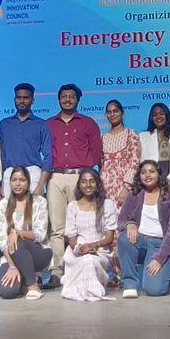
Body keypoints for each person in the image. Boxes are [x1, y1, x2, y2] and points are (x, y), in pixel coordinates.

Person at [46, 84, 103, 282]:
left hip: (80, 177)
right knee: (57, 227)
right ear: (58, 99)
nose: (67, 99)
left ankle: (78, 267)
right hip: (56, 177)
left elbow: (96, 152)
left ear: (78, 100)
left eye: (71, 96)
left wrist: (87, 171)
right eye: (64, 96)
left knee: (79, 225)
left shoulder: (88, 123)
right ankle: (56, 271)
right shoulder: (49, 124)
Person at [116, 160, 170, 297]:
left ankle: (162, 269)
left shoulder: (169, 196)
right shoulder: (134, 194)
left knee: (154, 290)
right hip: (141, 241)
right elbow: (121, 220)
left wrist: (159, 259)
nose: (147, 175)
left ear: (159, 175)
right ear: (139, 176)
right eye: (143, 172)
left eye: (152, 172)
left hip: (161, 245)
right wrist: (129, 224)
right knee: (123, 238)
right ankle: (130, 284)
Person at [60, 168, 118, 301]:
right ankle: (83, 289)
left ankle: (92, 290)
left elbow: (109, 238)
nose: (88, 185)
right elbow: (72, 239)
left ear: (97, 184)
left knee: (90, 260)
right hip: (77, 251)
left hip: (100, 251)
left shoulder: (107, 205)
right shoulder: (72, 206)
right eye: (84, 182)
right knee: (86, 259)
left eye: (92, 181)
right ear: (79, 185)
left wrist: (92, 247)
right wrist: (81, 250)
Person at [0, 167, 52, 300]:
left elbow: (40, 234)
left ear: (28, 183)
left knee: (17, 240)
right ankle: (29, 279)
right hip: (12, 256)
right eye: (14, 180)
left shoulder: (39, 202)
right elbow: (2, 241)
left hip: (38, 253)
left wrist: (17, 232)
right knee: (6, 292)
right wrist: (12, 266)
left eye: (22, 180)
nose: (17, 183)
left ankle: (32, 285)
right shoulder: (3, 204)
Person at [0, 82, 53, 195]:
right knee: (9, 207)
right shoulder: (4, 124)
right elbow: (1, 156)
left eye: (26, 98)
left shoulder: (41, 124)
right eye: (18, 97)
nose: (22, 101)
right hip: (10, 173)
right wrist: (0, 184)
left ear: (32, 100)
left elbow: (48, 156)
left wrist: (41, 184)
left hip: (33, 173)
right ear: (14, 100)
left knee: (34, 207)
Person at [100, 100, 143, 209]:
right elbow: (101, 163)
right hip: (106, 186)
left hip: (124, 185)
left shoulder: (131, 134)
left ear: (122, 113)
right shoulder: (102, 137)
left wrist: (126, 187)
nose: (112, 114)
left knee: (124, 215)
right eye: (109, 112)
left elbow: (135, 162)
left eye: (115, 111)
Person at [138, 103, 170, 191]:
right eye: (155, 115)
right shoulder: (143, 137)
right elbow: (140, 162)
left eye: (161, 113)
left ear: (167, 116)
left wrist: (168, 183)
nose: (158, 117)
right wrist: (151, 182)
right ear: (151, 118)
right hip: (149, 184)